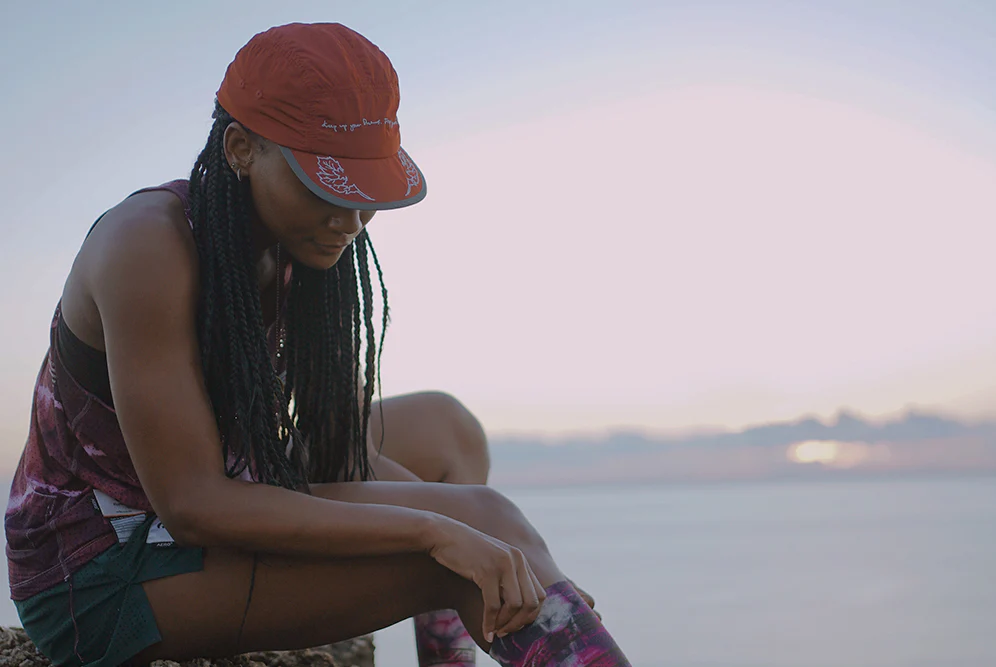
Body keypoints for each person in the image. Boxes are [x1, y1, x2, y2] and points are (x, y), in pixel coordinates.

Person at [5, 22, 631, 667]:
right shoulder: (147, 246)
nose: (351, 220)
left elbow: (343, 453)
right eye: (326, 187)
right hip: (105, 572)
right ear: (241, 149)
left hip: (227, 487)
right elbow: (193, 504)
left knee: (451, 437)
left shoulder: (299, 244)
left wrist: (518, 558)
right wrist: (438, 530)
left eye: (364, 193)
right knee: (469, 539)